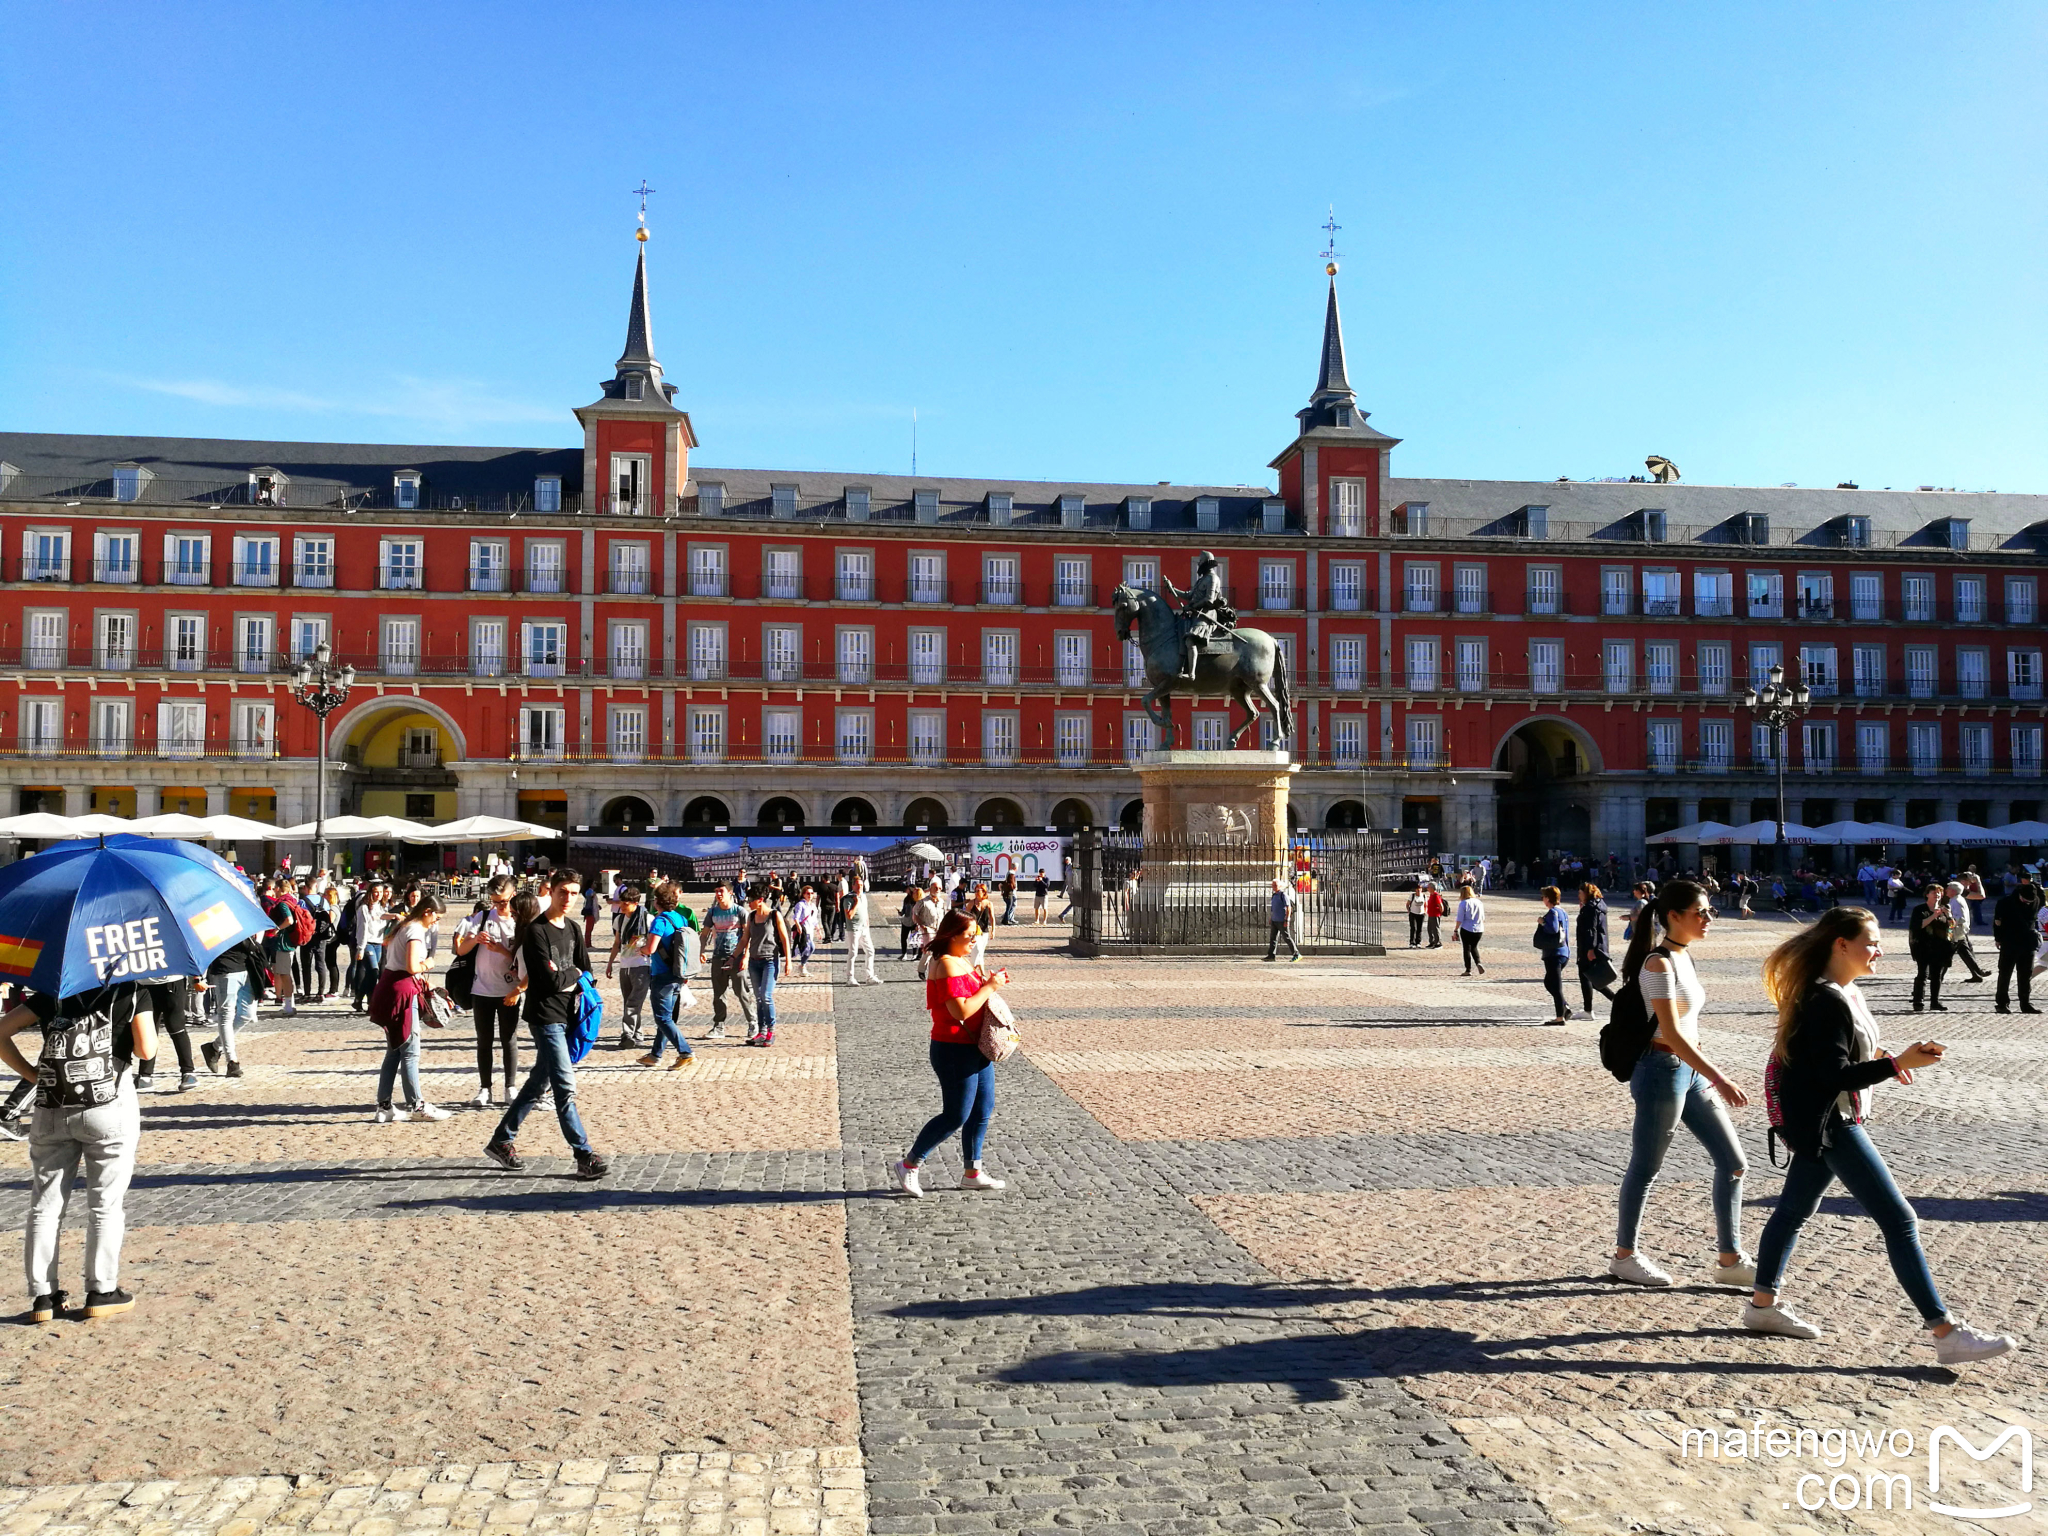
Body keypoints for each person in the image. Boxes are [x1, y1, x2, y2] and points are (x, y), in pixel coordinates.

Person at [1741, 908, 2015, 1361]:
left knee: (1792, 1211)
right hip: (1833, 1122)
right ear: (1841, 944)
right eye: (1871, 942)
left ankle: (1762, 1307)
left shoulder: (1845, 992)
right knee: (1900, 1219)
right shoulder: (1822, 999)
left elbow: (1841, 1050)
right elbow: (1833, 1074)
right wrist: (1896, 1064)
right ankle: (1945, 1332)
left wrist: (1883, 1055)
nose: (1879, 950)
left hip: (1823, 1119)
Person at [1606, 879, 1751, 1289]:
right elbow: (1670, 1032)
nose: (1708, 919)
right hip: (1661, 1071)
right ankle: (1625, 1256)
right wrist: (1720, 1077)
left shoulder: (1684, 957)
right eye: (1700, 912)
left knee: (1734, 1162)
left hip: (1689, 1073)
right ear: (1673, 916)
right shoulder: (1658, 964)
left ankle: (1729, 1259)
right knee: (1646, 1167)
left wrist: (1706, 1073)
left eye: (1709, 912)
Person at [0, 979, 155, 1320]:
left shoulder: (52, 992)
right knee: (105, 1203)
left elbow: (0, 1032)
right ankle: (102, 1289)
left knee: (44, 1204)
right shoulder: (130, 990)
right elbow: (146, 1050)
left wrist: (33, 1076)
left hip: (52, 1104)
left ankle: (43, 1296)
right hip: (109, 1103)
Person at [486, 869, 610, 1178]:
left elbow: (586, 970)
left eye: (573, 893)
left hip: (570, 1014)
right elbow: (549, 980)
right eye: (562, 892)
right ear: (551, 892)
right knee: (564, 1086)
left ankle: (501, 1140)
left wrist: (570, 973)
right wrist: (572, 973)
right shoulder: (536, 931)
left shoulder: (573, 928)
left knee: (537, 1083)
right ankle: (584, 1155)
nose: (568, 898)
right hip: (545, 1017)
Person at [894, 909, 1009, 1197]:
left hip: (975, 1046)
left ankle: (972, 1173)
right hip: (953, 1048)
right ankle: (909, 1165)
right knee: (955, 1114)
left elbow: (971, 998)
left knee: (981, 1110)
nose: (974, 940)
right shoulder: (945, 963)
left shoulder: (961, 960)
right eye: (969, 935)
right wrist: (990, 987)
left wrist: (986, 982)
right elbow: (961, 1010)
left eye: (976, 934)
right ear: (952, 935)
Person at [368, 891, 450, 1124]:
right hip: (402, 992)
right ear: (427, 912)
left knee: (394, 1050)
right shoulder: (415, 930)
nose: (436, 922)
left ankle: (384, 1106)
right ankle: (417, 1105)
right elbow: (412, 966)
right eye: (436, 918)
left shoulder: (403, 926)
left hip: (390, 987)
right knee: (410, 1051)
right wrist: (428, 964)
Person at [455, 876, 521, 1106]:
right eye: (495, 901)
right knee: (484, 1040)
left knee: (509, 1039)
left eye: (503, 901)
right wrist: (475, 939)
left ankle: (510, 1086)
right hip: (481, 989)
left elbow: (525, 958)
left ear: (513, 895)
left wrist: (502, 950)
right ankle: (485, 1088)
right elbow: (461, 950)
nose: (499, 906)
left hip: (509, 990)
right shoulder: (483, 917)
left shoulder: (520, 921)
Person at [639, 883, 698, 1070]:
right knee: (666, 1018)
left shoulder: (660, 921)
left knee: (662, 1018)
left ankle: (686, 1053)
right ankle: (655, 1055)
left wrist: (640, 949)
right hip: (677, 972)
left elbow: (650, 948)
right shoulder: (680, 918)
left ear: (657, 902)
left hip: (662, 975)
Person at [199, 934, 264, 1078]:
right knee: (226, 1014)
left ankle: (214, 1047)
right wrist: (198, 976)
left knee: (247, 1015)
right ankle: (232, 1062)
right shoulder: (210, 924)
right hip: (225, 969)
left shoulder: (242, 921)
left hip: (247, 967)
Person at [742, 888, 792, 1047]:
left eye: (751, 900)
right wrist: (737, 956)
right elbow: (745, 938)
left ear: (760, 900)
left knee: (766, 996)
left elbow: (784, 938)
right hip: (754, 962)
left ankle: (771, 1030)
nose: (748, 903)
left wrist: (788, 961)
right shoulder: (751, 916)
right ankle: (761, 1032)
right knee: (758, 998)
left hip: (770, 961)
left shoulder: (774, 915)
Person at [702, 882, 752, 1039]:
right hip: (718, 957)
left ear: (730, 892)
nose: (718, 894)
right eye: (716, 891)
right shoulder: (712, 912)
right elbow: (704, 934)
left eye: (721, 891)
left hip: (736, 958)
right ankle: (719, 1026)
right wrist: (701, 951)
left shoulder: (740, 911)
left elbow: (747, 936)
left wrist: (746, 956)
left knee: (742, 992)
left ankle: (753, 1023)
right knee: (719, 994)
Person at [134, 976, 199, 1093]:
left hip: (169, 982)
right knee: (148, 1030)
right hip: (145, 983)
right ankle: (145, 1076)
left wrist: (196, 979)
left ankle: (188, 1072)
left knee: (176, 1029)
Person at [1991, 869, 2043, 1013]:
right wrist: (1998, 938)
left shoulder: (2036, 900)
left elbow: (2041, 900)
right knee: (2005, 973)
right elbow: (1997, 922)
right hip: (2010, 941)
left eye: (2030, 901)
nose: (2027, 903)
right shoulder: (2005, 902)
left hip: (2028, 942)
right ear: (2020, 894)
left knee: (2025, 974)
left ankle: (2025, 1003)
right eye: (2025, 900)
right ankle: (2002, 1003)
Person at [608, 884, 654, 1043]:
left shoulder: (647, 919)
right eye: (621, 902)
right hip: (624, 966)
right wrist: (610, 963)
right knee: (629, 1002)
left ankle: (627, 1034)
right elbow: (617, 943)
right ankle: (638, 1034)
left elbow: (654, 942)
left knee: (633, 1003)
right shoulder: (619, 920)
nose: (622, 906)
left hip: (641, 966)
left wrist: (647, 951)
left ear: (635, 903)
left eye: (625, 903)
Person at [1907, 884, 1956, 1014]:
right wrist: (1934, 915)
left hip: (1940, 946)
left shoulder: (1944, 909)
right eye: (1934, 892)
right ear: (1927, 894)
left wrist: (1949, 916)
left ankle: (1935, 1002)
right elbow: (1918, 925)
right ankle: (1918, 1001)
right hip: (1923, 946)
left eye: (1939, 893)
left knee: (1937, 976)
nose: (1937, 895)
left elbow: (1951, 928)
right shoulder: (1920, 910)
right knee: (1922, 974)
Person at [1575, 882, 1618, 1017]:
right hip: (1599, 946)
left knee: (1587, 977)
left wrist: (1590, 949)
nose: (1579, 895)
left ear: (1586, 893)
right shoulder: (1599, 905)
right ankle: (1614, 1001)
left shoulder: (1590, 908)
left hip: (1588, 948)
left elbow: (1591, 929)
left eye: (1580, 893)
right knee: (1593, 978)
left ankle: (1589, 1010)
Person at [1537, 886, 1571, 1025]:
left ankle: (1560, 1017)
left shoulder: (1552, 912)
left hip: (1554, 953)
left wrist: (1542, 922)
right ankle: (1564, 1006)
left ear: (1548, 898)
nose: (1542, 899)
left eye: (1543, 897)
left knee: (1556, 986)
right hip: (1563, 952)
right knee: (1549, 982)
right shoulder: (1562, 911)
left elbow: (1553, 929)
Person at [1945, 881, 1989, 983]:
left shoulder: (1956, 901)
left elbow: (1960, 918)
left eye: (1948, 888)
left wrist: (1949, 925)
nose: (1946, 890)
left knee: (1946, 952)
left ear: (1953, 891)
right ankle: (1977, 973)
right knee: (1964, 953)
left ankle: (1937, 975)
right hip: (1958, 931)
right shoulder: (1956, 899)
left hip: (1956, 931)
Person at [843, 876, 880, 985]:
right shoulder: (849, 898)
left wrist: (867, 923)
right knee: (853, 953)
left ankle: (870, 976)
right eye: (858, 885)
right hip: (854, 929)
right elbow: (849, 915)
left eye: (861, 885)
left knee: (870, 951)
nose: (860, 888)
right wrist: (856, 903)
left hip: (864, 928)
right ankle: (850, 978)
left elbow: (865, 910)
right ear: (853, 886)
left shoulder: (863, 896)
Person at [910, 881, 944, 980]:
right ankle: (921, 969)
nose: (937, 890)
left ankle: (935, 973)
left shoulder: (941, 902)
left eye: (939, 888)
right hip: (928, 929)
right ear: (930, 889)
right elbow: (915, 913)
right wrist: (921, 925)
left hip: (939, 929)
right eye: (935, 888)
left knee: (938, 952)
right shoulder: (923, 902)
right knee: (929, 951)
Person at [1264, 877, 1300, 961]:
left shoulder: (1283, 895)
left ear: (1280, 886)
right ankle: (1271, 955)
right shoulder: (1274, 895)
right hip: (1274, 920)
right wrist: (1271, 917)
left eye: (1275, 885)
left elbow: (1288, 907)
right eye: (1273, 885)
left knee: (1287, 937)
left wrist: (1287, 919)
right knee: (1273, 938)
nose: (1274, 887)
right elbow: (1274, 908)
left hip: (1281, 920)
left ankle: (1296, 954)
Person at [1453, 883, 1486, 975]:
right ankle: (1478, 962)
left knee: (1466, 948)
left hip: (1467, 928)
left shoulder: (1463, 903)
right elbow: (1483, 917)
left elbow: (1459, 919)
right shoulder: (1479, 902)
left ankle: (1468, 969)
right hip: (1479, 928)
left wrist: (1455, 930)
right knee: (1474, 947)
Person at [789, 885, 818, 979]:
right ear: (803, 894)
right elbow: (796, 918)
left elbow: (814, 919)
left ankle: (802, 966)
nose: (810, 895)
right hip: (804, 930)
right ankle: (802, 965)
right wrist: (799, 927)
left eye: (811, 893)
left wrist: (818, 929)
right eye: (807, 893)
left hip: (810, 930)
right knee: (810, 947)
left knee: (808, 948)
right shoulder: (800, 904)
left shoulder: (813, 906)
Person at [968, 882, 996, 971]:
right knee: (977, 950)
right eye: (975, 891)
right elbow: (966, 917)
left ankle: (972, 971)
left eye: (978, 891)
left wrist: (993, 930)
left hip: (984, 932)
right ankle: (980, 973)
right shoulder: (971, 903)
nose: (976, 893)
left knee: (980, 953)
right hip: (974, 932)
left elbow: (992, 918)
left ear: (984, 892)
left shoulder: (989, 904)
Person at [1405, 882, 1428, 948]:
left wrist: (1425, 911)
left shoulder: (1424, 896)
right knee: (1413, 928)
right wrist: (1409, 910)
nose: (1419, 891)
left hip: (1421, 914)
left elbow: (1426, 905)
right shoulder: (1412, 896)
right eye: (1417, 889)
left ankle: (1418, 942)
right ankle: (1412, 942)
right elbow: (1407, 904)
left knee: (1419, 928)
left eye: (1420, 889)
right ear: (1415, 890)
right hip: (1413, 913)